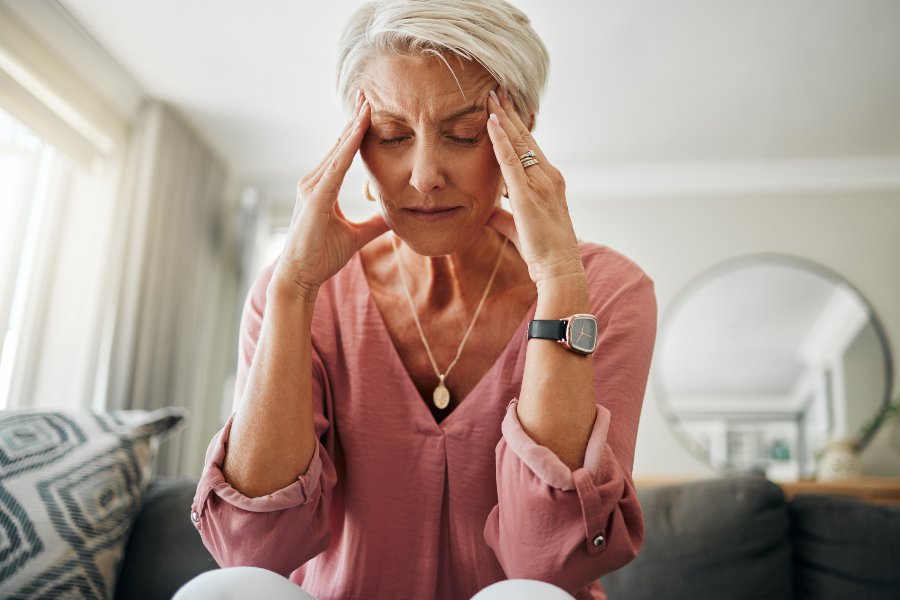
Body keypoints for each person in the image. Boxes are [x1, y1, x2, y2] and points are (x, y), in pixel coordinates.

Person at [182, 1, 657, 598]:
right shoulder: (307, 292)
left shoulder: (609, 289)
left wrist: (560, 279)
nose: (425, 173)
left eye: (462, 133)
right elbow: (252, 552)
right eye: (392, 135)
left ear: (521, 133)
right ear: (356, 144)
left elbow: (549, 562)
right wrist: (293, 290)